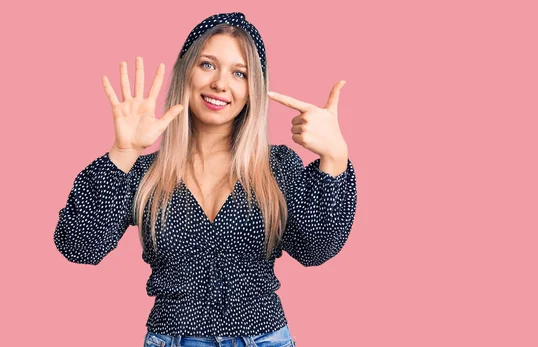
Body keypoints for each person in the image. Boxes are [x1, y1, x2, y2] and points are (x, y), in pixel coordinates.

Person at [54, 12, 357, 347]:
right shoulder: (146, 174)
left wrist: (334, 159)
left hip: (265, 339)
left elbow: (315, 250)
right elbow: (79, 246)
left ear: (252, 89)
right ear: (186, 71)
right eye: (208, 65)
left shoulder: (277, 166)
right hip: (173, 338)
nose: (221, 84)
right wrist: (123, 153)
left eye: (239, 73)